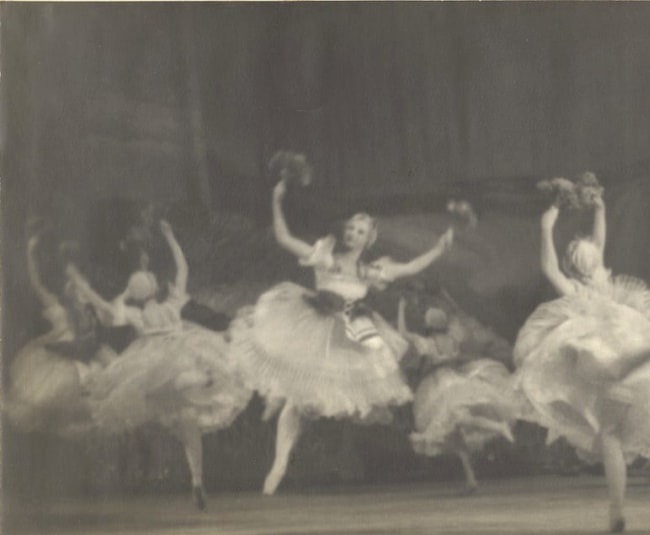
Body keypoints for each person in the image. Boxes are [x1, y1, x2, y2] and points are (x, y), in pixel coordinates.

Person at [229, 177, 454, 495]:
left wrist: (437, 249)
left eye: (360, 231)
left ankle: (280, 405)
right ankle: (279, 462)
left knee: (313, 402)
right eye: (350, 228)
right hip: (311, 325)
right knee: (297, 398)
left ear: (369, 239)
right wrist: (277, 200)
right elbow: (284, 237)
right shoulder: (325, 256)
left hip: (346, 334)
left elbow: (409, 268)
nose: (353, 233)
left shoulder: (370, 271)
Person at [513, 184, 650, 533]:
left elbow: (549, 267)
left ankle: (616, 509)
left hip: (602, 364)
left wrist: (547, 225)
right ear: (595, 263)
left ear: (574, 267)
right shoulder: (605, 283)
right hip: (627, 356)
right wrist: (599, 207)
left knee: (609, 434)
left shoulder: (578, 291)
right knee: (611, 426)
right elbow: (598, 245)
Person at [70, 221, 251, 510]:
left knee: (180, 414)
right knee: (187, 410)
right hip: (174, 358)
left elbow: (102, 305)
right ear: (153, 288)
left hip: (157, 367)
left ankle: (196, 481)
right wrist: (170, 238)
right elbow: (182, 269)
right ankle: (197, 478)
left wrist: (81, 282)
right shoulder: (170, 304)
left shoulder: (135, 312)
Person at [396, 296, 520, 494]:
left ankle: (498, 425)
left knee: (459, 417)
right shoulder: (452, 340)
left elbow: (402, 333)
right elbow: (455, 355)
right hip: (451, 376)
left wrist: (401, 308)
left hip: (441, 383)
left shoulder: (426, 342)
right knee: (455, 436)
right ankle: (471, 479)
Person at [4, 228, 116, 436]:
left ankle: (88, 424)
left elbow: (96, 307)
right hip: (62, 351)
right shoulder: (53, 302)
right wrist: (30, 251)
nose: (74, 286)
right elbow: (36, 281)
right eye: (69, 283)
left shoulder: (82, 300)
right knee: (61, 393)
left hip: (81, 347)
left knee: (98, 382)